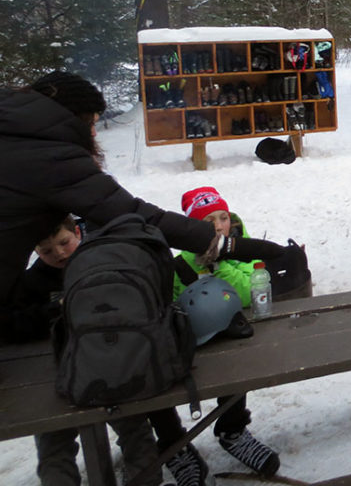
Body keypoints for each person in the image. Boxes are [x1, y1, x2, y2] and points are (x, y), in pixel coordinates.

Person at [0, 71, 288, 312]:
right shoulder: (48, 155)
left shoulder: (17, 136)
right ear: (72, 117)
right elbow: (135, 216)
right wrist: (223, 244)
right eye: (91, 123)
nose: (94, 134)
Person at [6, 217, 164, 486]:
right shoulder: (31, 282)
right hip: (56, 373)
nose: (58, 253)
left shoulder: (101, 260)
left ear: (78, 232)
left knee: (135, 431)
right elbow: (15, 325)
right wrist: (56, 310)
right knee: (53, 443)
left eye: (64, 243)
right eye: (46, 250)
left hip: (110, 365)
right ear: (35, 251)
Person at [149, 186, 280, 482]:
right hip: (193, 342)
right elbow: (167, 301)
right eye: (208, 223)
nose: (218, 226)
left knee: (237, 368)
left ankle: (232, 430)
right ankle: (175, 445)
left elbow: (250, 292)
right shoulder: (180, 263)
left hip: (233, 336)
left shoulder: (240, 250)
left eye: (222, 218)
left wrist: (219, 265)